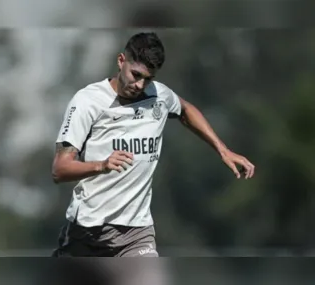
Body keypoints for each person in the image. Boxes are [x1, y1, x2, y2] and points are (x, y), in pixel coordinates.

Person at [51, 32, 255, 257]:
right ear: (121, 61)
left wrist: (222, 149)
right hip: (87, 230)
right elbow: (60, 170)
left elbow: (185, 110)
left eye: (147, 78)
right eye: (135, 74)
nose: (139, 84)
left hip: (136, 233)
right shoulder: (88, 101)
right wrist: (102, 165)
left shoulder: (159, 95)